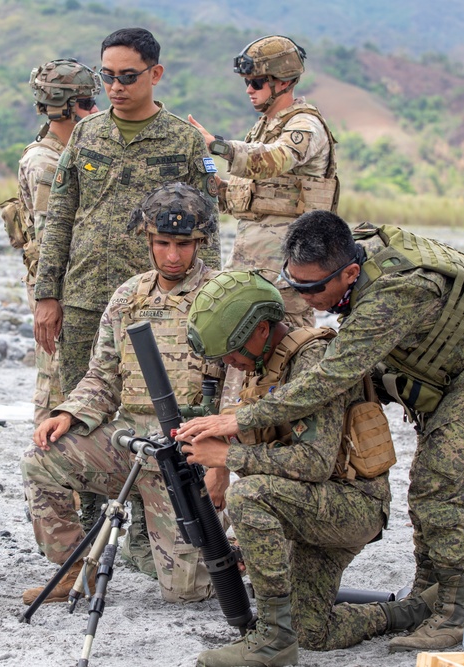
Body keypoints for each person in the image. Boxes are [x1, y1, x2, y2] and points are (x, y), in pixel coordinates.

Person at [177, 211, 464, 652]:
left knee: (437, 487)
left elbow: (329, 376)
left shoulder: (393, 294)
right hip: (435, 359)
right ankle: (425, 597)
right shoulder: (349, 256)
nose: (306, 299)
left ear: (350, 272)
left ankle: (451, 613)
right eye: (294, 285)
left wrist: (237, 422)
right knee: (425, 486)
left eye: (314, 289)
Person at [182, 270, 413, 667]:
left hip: (351, 505)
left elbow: (314, 462)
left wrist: (227, 459)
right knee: (313, 633)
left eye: (231, 352)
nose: (228, 363)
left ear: (261, 331)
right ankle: (404, 613)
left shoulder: (312, 360)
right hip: (310, 507)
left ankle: (272, 638)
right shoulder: (263, 362)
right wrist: (220, 454)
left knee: (249, 495)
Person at [22, 182, 224, 606]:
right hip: (129, 444)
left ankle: (212, 547)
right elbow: (102, 377)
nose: (172, 256)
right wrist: (69, 414)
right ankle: (76, 571)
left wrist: (219, 461)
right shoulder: (128, 297)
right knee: (42, 458)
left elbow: (241, 392)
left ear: (200, 241)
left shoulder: (221, 299)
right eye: (163, 243)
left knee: (186, 595)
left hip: (188, 456)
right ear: (148, 240)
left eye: (184, 245)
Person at [33, 26, 222, 400]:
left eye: (128, 76)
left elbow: (209, 230)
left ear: (155, 74)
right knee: (81, 403)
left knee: (152, 403)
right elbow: (59, 218)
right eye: (108, 76)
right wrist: (46, 294)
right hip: (84, 297)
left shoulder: (184, 141)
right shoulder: (86, 133)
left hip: (156, 302)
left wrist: (206, 304)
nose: (115, 87)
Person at [189, 35, 338, 328]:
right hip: (251, 261)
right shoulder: (263, 128)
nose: (249, 89)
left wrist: (217, 146)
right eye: (247, 82)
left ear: (282, 82)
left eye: (257, 82)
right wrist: (209, 181)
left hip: (285, 264)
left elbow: (275, 159)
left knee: (285, 341)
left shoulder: (304, 125)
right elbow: (252, 193)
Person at [6, 58, 100, 427]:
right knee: (57, 382)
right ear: (69, 107)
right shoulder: (46, 162)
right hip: (56, 288)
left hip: (71, 286)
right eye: (89, 103)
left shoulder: (71, 153)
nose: (96, 111)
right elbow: (50, 239)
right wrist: (50, 299)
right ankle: (50, 471)